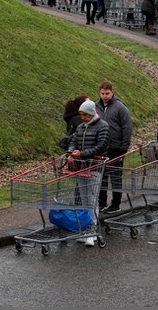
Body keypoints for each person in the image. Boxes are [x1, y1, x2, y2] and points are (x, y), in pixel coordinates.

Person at [66, 99, 109, 246]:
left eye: (85, 115)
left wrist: (82, 154)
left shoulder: (103, 126)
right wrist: (71, 152)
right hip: (81, 167)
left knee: (92, 199)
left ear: (92, 113)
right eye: (81, 115)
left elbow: (101, 146)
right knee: (84, 199)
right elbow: (73, 141)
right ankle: (86, 229)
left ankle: (92, 230)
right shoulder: (80, 127)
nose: (83, 118)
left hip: (95, 167)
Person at [96, 81, 133, 213]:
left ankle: (115, 204)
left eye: (107, 93)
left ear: (112, 92)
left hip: (116, 147)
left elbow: (127, 127)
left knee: (116, 177)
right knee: (102, 177)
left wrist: (124, 147)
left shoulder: (120, 107)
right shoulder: (96, 107)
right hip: (101, 147)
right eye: (102, 93)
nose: (104, 96)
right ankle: (101, 202)